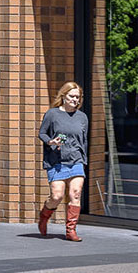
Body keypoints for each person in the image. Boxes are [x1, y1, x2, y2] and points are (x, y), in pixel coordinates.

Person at [37, 81, 88, 242]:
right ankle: (44, 216)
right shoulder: (52, 114)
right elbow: (42, 133)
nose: (75, 100)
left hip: (76, 160)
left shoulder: (82, 117)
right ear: (64, 96)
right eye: (72, 96)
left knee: (76, 194)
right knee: (57, 196)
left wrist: (83, 158)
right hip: (56, 160)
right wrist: (51, 142)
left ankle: (71, 230)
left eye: (77, 97)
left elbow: (83, 140)